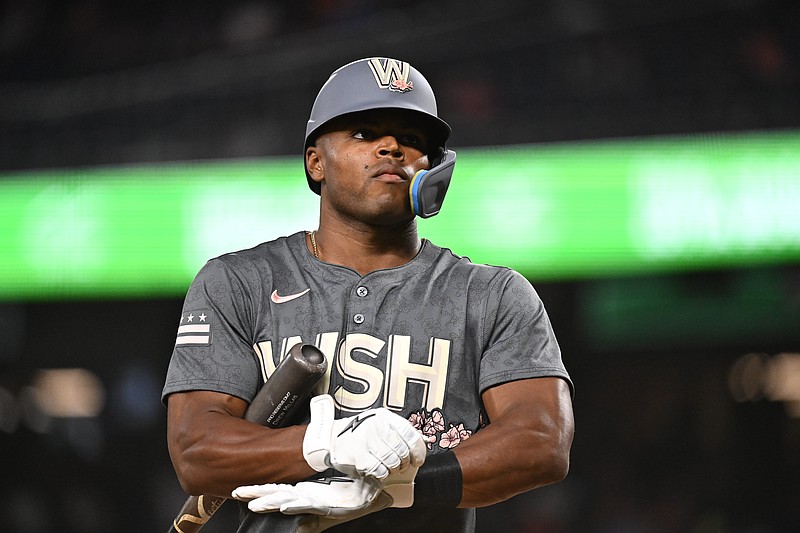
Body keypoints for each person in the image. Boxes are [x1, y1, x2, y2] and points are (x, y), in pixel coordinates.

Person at [162, 57, 574, 533]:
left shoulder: (492, 294)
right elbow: (196, 450)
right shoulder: (238, 281)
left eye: (413, 140)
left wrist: (398, 488)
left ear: (434, 169)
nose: (392, 148)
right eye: (364, 133)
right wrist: (329, 444)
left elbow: (542, 441)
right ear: (316, 162)